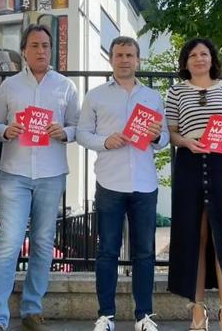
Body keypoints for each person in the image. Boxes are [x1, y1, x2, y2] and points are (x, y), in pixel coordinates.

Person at [0, 24, 80, 331]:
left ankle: (31, 309)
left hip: (52, 174)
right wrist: (5, 131)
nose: (41, 51)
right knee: (9, 244)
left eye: (46, 45)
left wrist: (64, 132)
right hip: (15, 173)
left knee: (42, 242)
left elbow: (77, 126)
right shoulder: (9, 86)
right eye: (35, 45)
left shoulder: (65, 86)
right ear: (24, 51)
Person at [165, 38, 222, 331]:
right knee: (196, 236)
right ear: (186, 61)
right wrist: (186, 143)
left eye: (204, 53)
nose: (199, 58)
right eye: (193, 54)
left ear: (212, 58)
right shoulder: (176, 91)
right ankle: (198, 309)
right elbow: (172, 132)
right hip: (190, 163)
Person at [76, 37, 168, 331]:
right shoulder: (96, 95)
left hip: (144, 184)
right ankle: (105, 315)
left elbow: (164, 139)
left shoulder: (153, 97)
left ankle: (144, 316)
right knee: (107, 252)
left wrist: (155, 136)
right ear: (111, 59)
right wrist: (105, 141)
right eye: (119, 55)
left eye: (130, 54)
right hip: (110, 182)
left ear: (138, 60)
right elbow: (81, 133)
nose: (125, 59)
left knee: (144, 253)